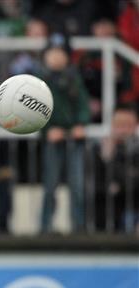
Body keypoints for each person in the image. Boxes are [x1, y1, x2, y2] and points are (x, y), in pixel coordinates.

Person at [38, 33, 90, 233]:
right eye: (52, 52)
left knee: (77, 186)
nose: (56, 57)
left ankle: (78, 227)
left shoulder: (73, 78)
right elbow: (31, 112)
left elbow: (83, 105)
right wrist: (47, 130)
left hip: (73, 140)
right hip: (52, 141)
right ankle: (45, 227)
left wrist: (80, 124)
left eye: (61, 53)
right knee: (50, 186)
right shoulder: (38, 81)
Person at [93, 105, 139, 233]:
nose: (123, 130)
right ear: (112, 126)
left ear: (136, 127)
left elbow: (134, 184)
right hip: (105, 221)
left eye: (128, 125)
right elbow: (95, 186)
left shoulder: (136, 151)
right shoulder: (97, 150)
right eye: (119, 125)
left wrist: (109, 161)